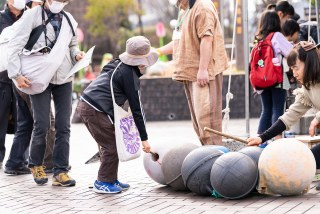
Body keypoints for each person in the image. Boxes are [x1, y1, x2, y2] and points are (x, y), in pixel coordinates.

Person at [7, 0, 84, 186]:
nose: (61, 3)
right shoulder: (31, 16)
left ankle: (61, 171)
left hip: (64, 76)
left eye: (65, 0)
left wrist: (76, 55)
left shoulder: (69, 19)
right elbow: (15, 45)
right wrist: (16, 75)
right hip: (38, 77)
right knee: (41, 124)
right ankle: (36, 164)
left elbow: (72, 45)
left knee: (63, 125)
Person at [76, 36, 156, 194]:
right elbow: (136, 108)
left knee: (112, 142)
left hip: (89, 104)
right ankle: (103, 182)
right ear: (142, 60)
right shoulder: (129, 75)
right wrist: (144, 139)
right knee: (111, 145)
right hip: (93, 108)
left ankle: (111, 178)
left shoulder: (118, 63)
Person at [247, 41, 320, 188]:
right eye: (291, 68)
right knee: (306, 159)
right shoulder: (307, 88)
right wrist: (262, 137)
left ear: (310, 63)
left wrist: (317, 118)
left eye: (296, 67)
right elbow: (288, 117)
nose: (294, 73)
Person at [157, 0, 228, 145]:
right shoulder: (184, 9)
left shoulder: (202, 6)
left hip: (203, 72)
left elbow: (207, 39)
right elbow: (179, 41)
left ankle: (215, 155)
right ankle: (207, 154)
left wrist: (202, 70)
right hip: (190, 72)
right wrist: (157, 52)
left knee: (207, 119)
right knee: (198, 122)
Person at [4, 0, 55, 175]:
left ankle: (14, 162)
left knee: (25, 122)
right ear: (29, 6)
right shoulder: (30, 21)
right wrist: (17, 75)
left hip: (19, 78)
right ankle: (48, 162)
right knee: (46, 121)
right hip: (27, 78)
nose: (42, 6)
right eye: (38, 3)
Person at [253, 10, 293, 140]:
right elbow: (291, 53)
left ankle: (260, 140)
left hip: (262, 80)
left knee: (266, 110)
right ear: (276, 22)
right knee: (277, 109)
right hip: (276, 79)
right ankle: (277, 140)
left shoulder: (258, 38)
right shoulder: (277, 36)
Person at [0, 0, 25, 169]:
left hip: (22, 79)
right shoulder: (1, 19)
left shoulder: (29, 18)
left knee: (22, 122)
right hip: (2, 78)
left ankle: (19, 160)